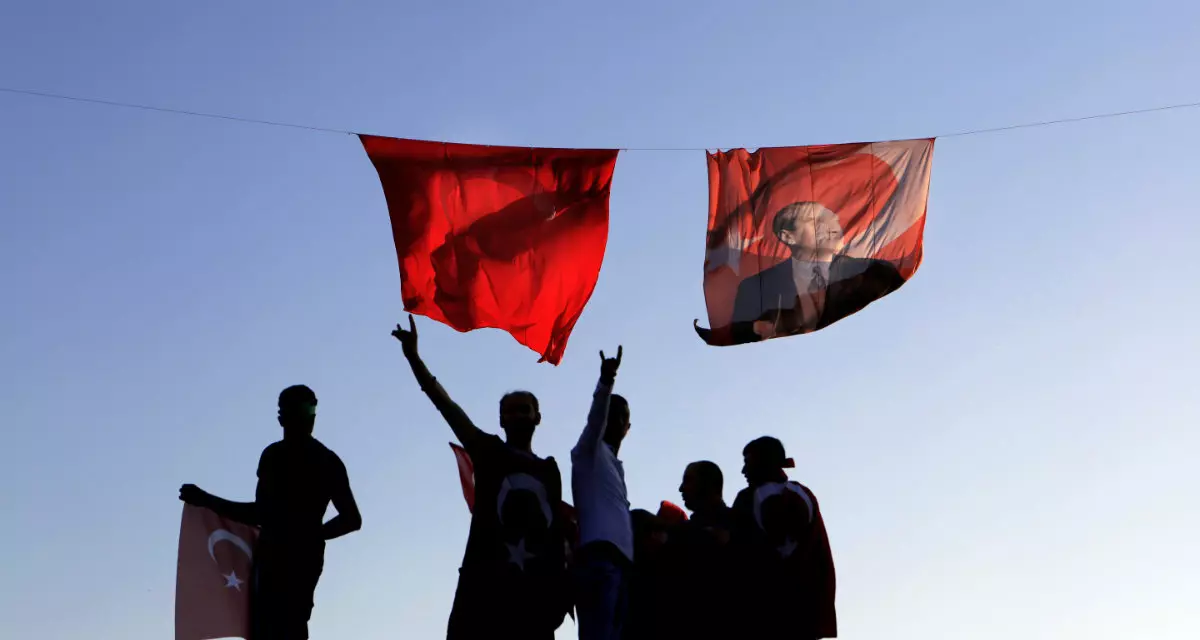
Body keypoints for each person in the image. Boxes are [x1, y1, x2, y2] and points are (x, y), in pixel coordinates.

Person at [391, 315, 569, 640]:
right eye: (509, 411)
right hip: (484, 588)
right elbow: (446, 407)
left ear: (537, 417)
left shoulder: (548, 471)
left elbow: (556, 533)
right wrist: (415, 358)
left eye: (523, 409)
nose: (515, 416)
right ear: (500, 420)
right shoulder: (489, 451)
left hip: (533, 598)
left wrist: (560, 592)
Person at [179, 384, 362, 640]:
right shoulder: (284, 457)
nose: (309, 416)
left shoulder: (319, 460)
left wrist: (309, 535)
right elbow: (262, 513)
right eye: (304, 409)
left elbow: (351, 519)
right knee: (277, 627)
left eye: (312, 409)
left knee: (283, 626)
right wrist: (311, 534)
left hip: (292, 559)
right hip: (281, 556)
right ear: (282, 417)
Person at [694, 201, 905, 345]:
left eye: (832, 219)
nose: (830, 227)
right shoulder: (755, 288)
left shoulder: (875, 272)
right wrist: (755, 328)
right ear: (789, 237)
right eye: (816, 222)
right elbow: (736, 330)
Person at [730, 436, 837, 639]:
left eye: (747, 462)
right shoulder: (804, 495)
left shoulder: (751, 498)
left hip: (766, 615)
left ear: (763, 462)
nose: (744, 471)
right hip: (805, 614)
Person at [571, 346, 633, 640]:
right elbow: (595, 420)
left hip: (622, 568)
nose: (615, 421)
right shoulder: (587, 452)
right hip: (598, 563)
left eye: (622, 417)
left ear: (628, 427)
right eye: (611, 414)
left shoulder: (615, 466)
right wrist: (606, 381)